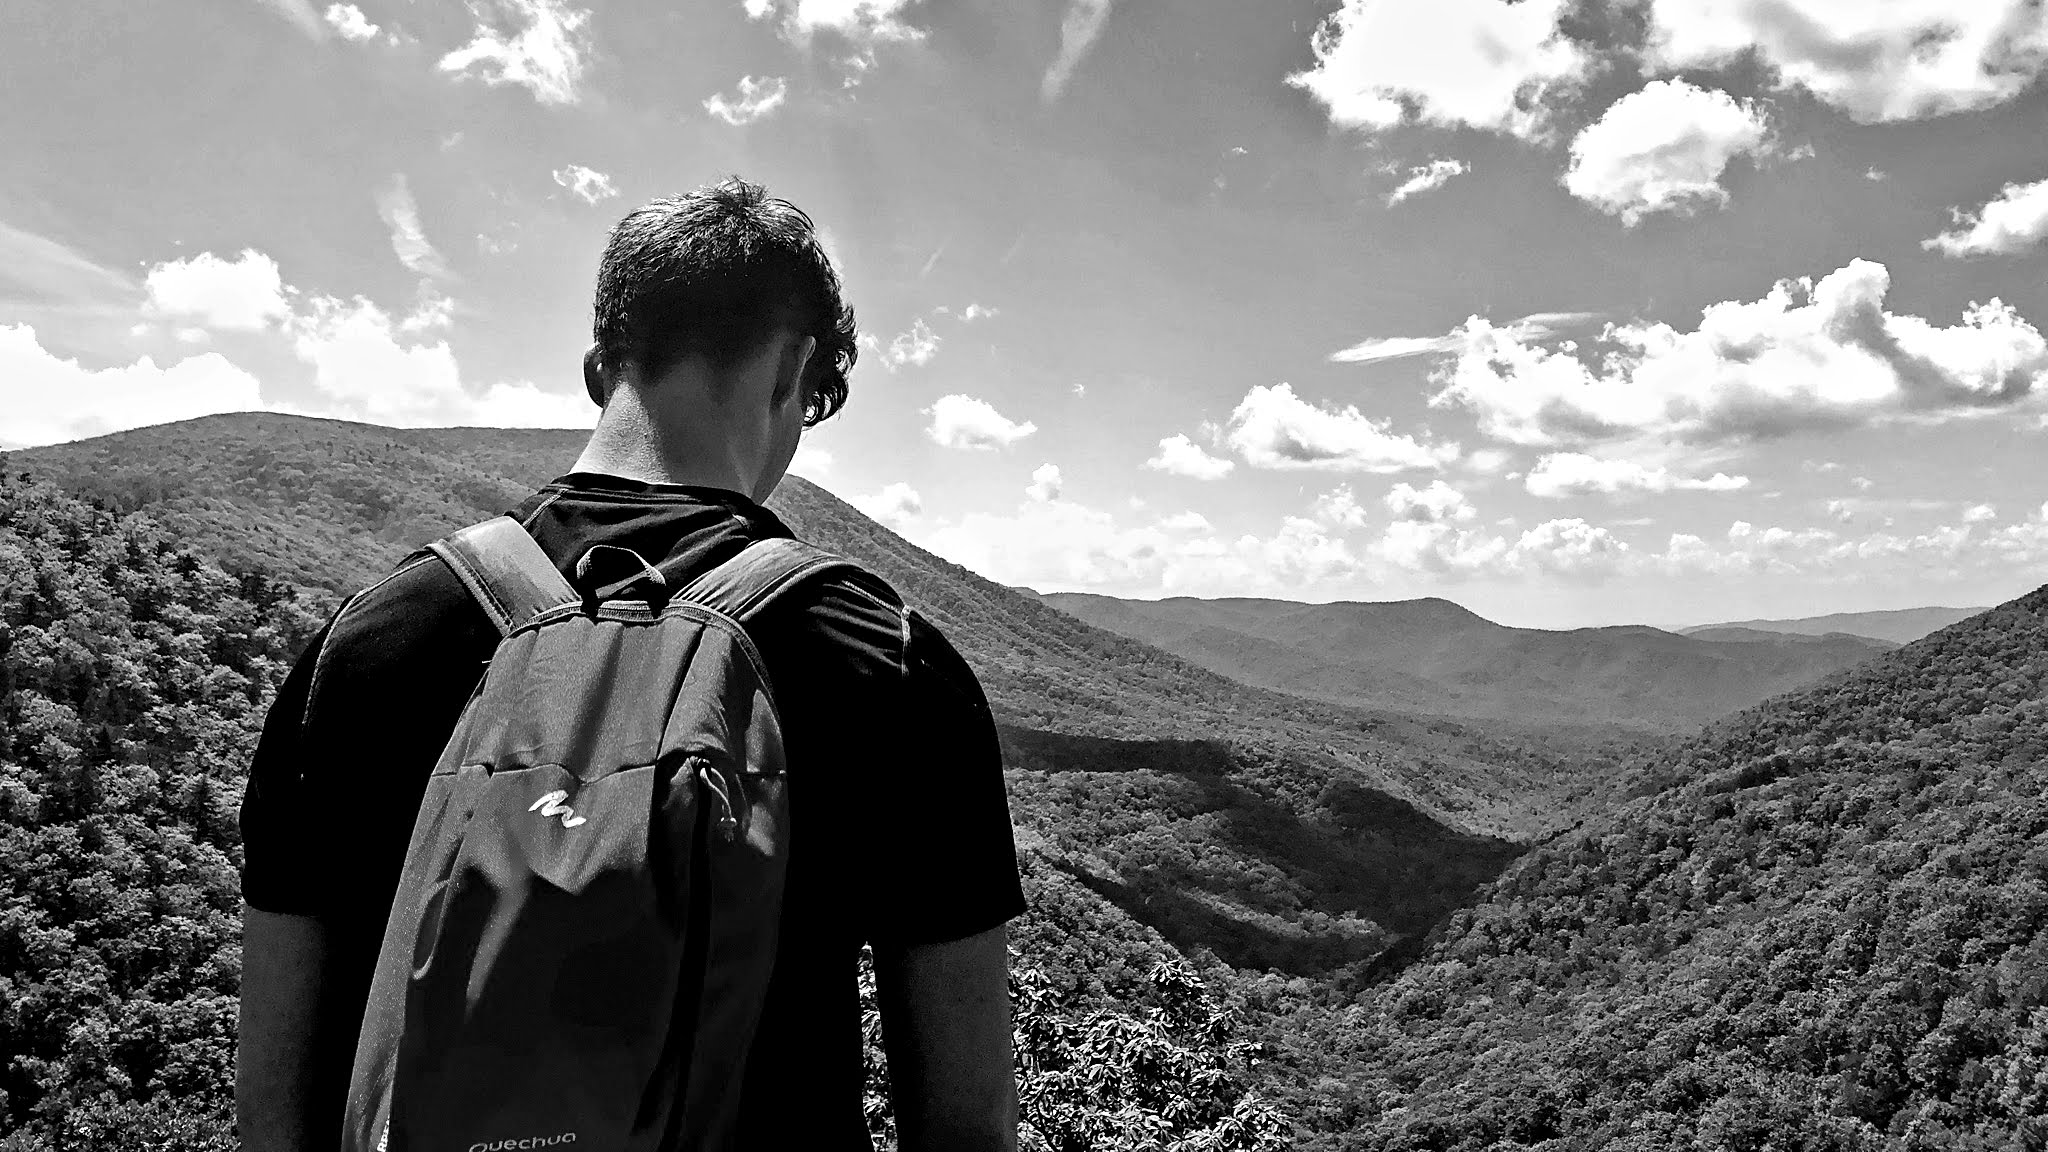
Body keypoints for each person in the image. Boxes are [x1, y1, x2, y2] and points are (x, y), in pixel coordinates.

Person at [235, 177, 1026, 1152]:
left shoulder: (360, 649)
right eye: (814, 400)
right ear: (795, 370)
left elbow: (275, 1114)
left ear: (595, 367)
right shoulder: (889, 669)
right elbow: (963, 1129)